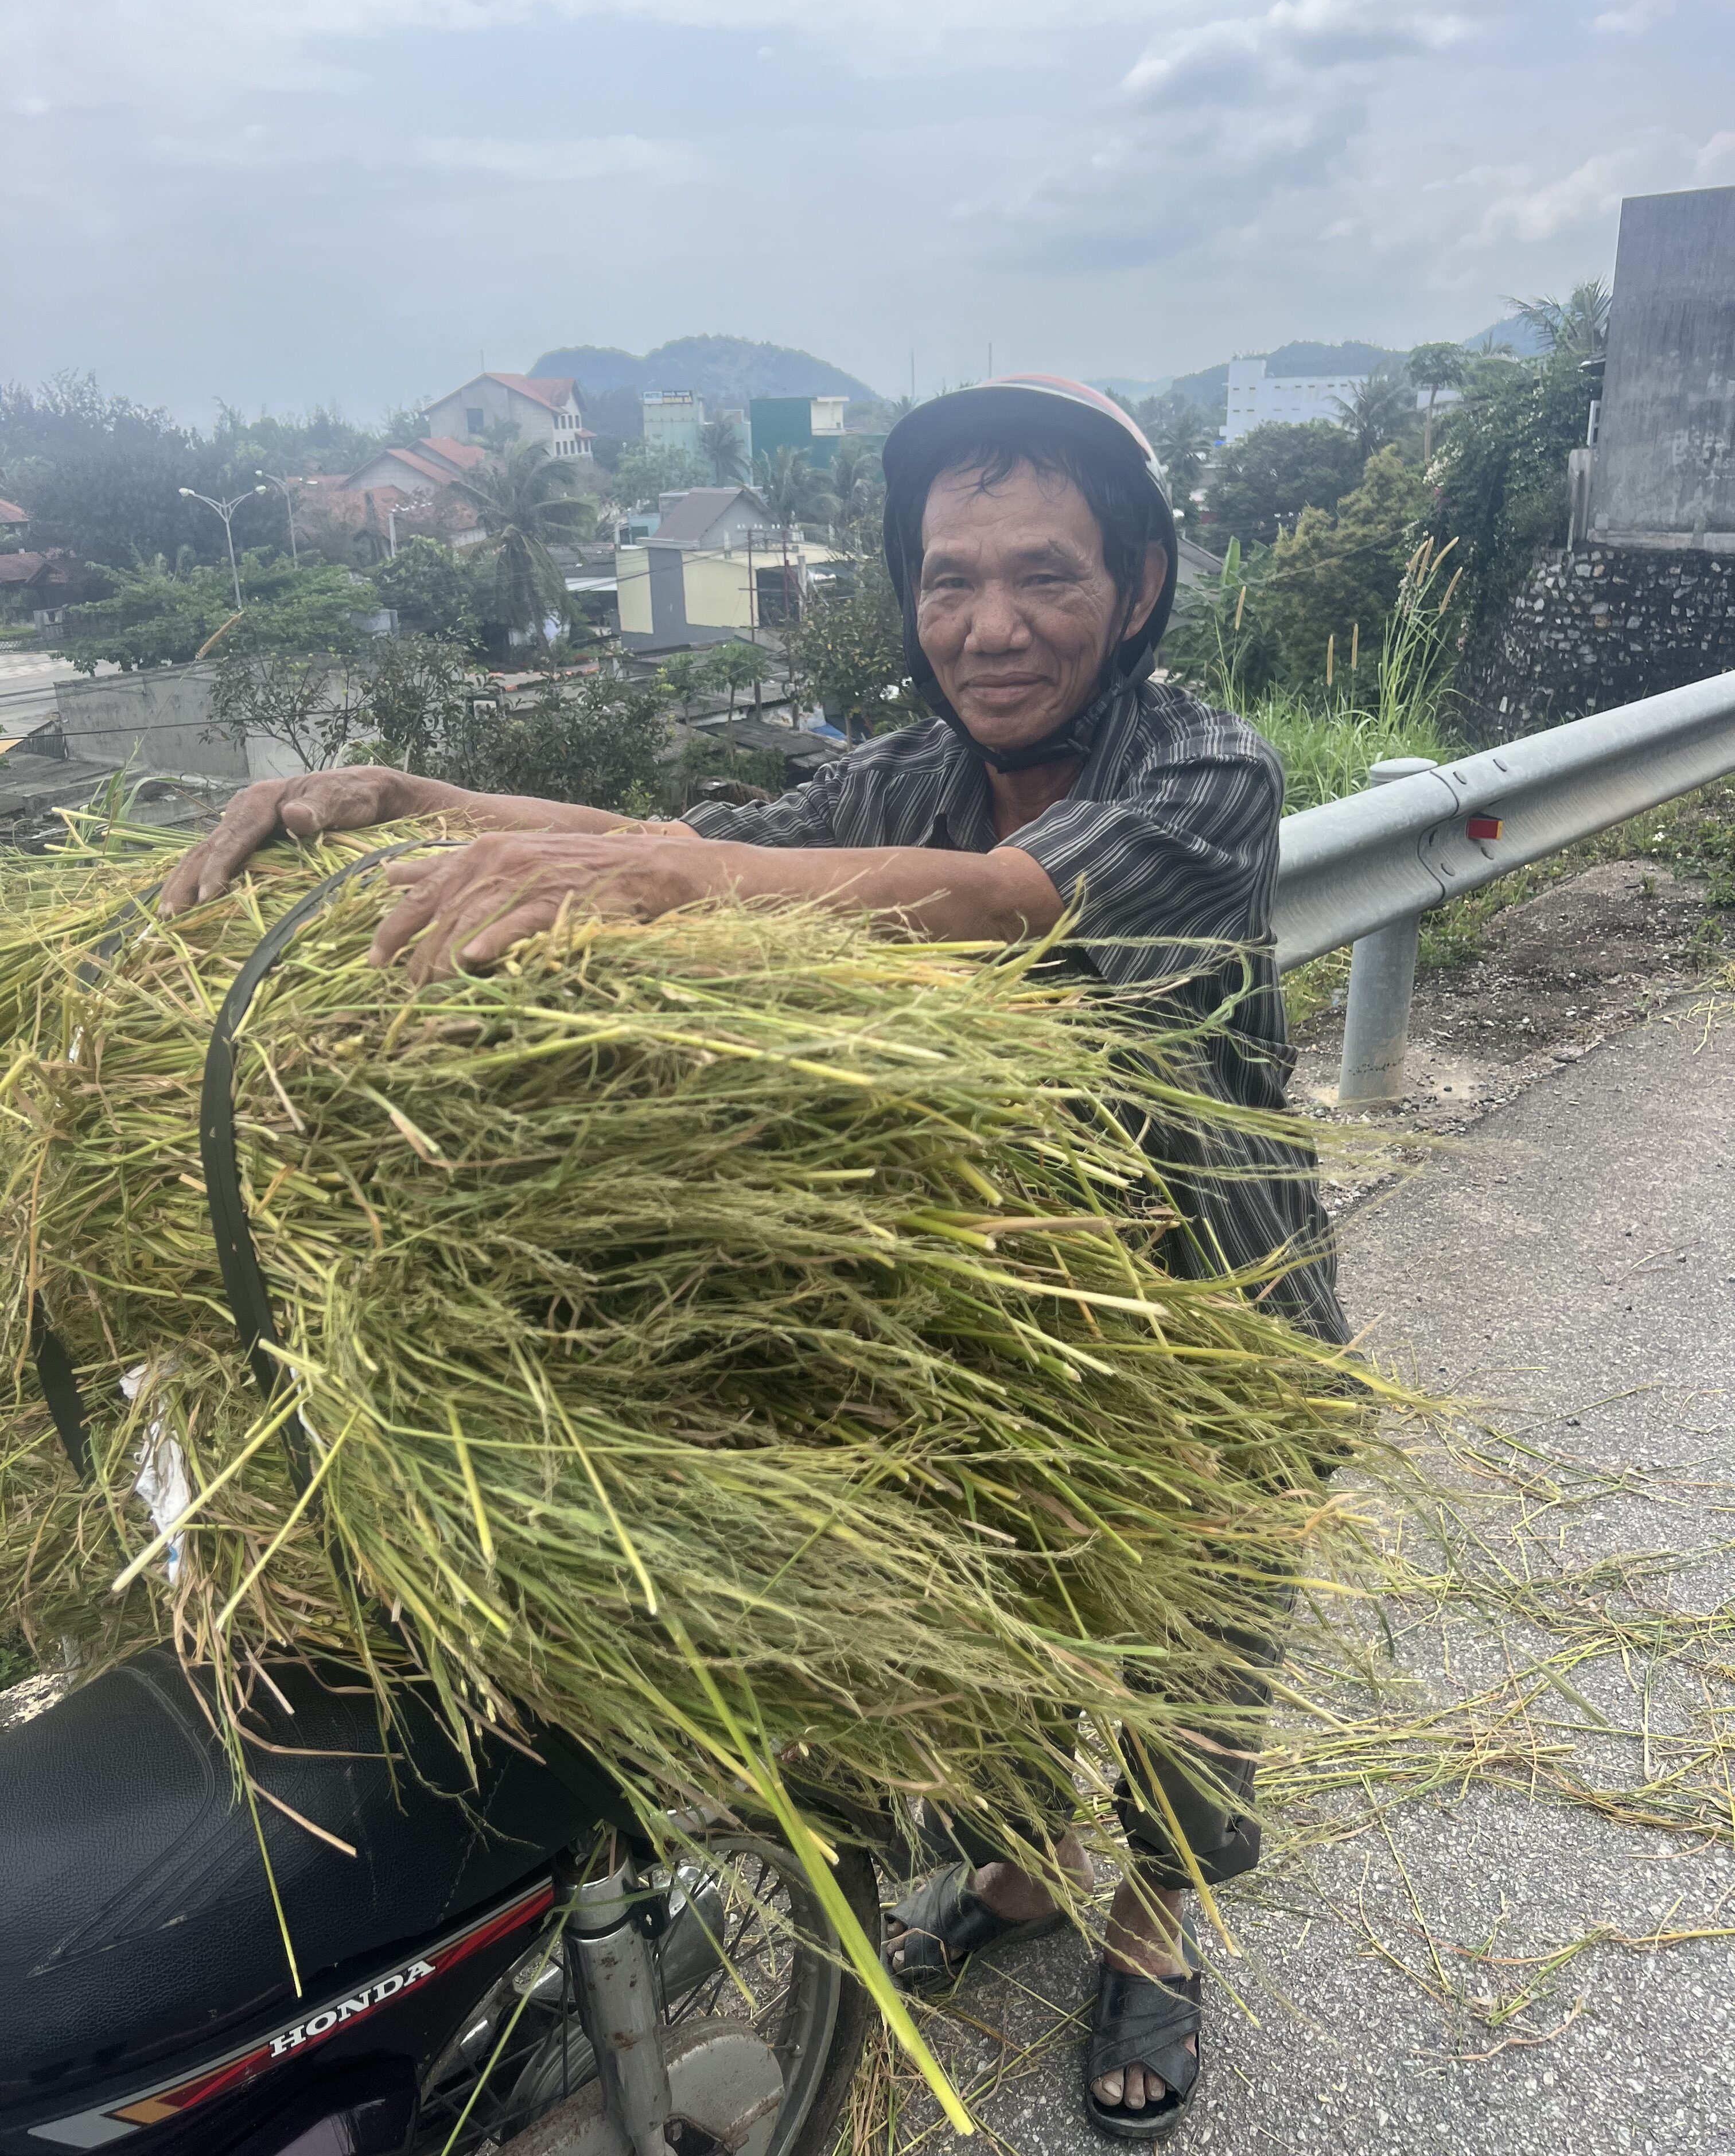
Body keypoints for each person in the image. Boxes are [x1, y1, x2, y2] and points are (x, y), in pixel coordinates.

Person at [162, 376, 1347, 2139]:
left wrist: (671, 890)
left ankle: (1155, 1914)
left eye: (1047, 576)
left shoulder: (1202, 770)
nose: (993, 626)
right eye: (951, 579)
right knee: (1011, 1598)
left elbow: (1014, 901)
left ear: (1143, 584)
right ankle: (1020, 1866)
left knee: (1192, 1628)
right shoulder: (904, 776)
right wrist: (414, 798)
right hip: (995, 1301)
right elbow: (686, 853)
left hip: (1200, 1290)